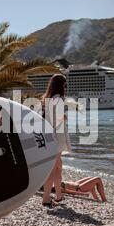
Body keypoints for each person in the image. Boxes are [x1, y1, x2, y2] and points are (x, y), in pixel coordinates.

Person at [41, 74, 71, 207]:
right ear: (61, 86)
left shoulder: (48, 98)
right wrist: (64, 118)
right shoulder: (57, 99)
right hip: (55, 138)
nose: (66, 88)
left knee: (58, 167)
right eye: (65, 85)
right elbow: (56, 120)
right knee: (53, 169)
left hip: (51, 136)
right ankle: (46, 198)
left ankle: (59, 196)